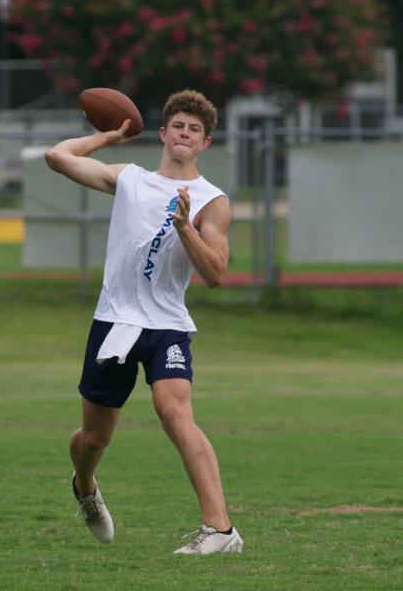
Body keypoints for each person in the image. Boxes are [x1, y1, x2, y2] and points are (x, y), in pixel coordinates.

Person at [44, 89, 242, 555]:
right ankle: (85, 486)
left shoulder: (212, 200)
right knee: (93, 437)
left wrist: (185, 228)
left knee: (174, 413)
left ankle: (220, 530)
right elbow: (57, 156)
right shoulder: (129, 179)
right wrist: (106, 135)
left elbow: (215, 274)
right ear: (163, 133)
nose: (185, 134)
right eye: (178, 126)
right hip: (114, 319)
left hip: (166, 324)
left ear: (205, 142)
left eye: (195, 129)